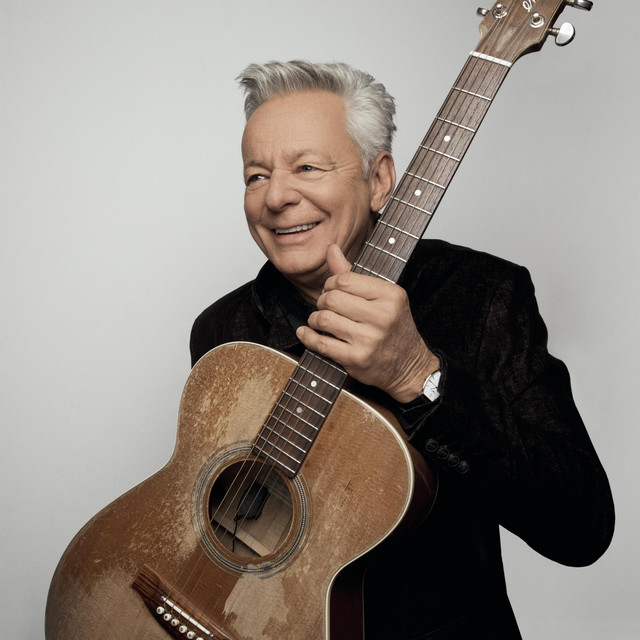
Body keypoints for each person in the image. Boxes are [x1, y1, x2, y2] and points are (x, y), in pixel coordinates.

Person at [190, 61, 614, 639]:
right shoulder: (222, 332)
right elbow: (222, 517)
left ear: (380, 180)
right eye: (256, 176)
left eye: (307, 167)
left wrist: (419, 375)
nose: (277, 196)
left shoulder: (482, 295)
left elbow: (582, 528)